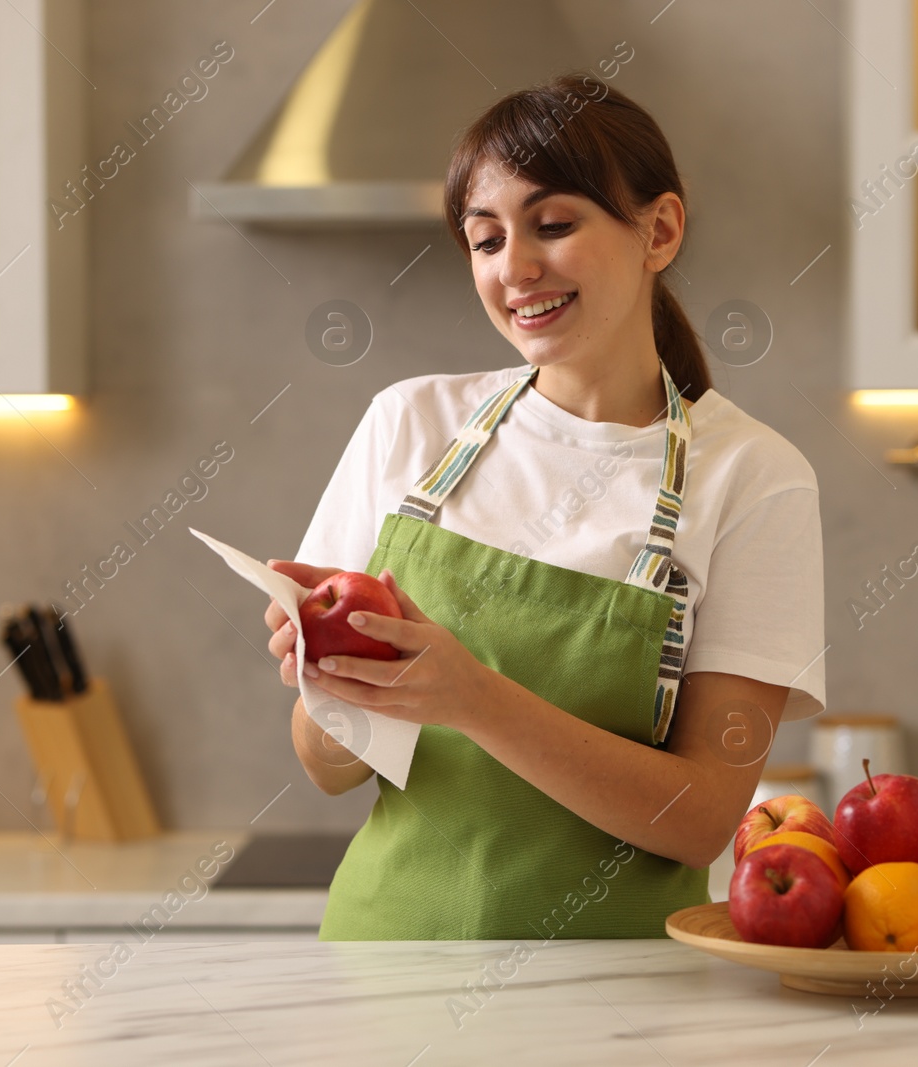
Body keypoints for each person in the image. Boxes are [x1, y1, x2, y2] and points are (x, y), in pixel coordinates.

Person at [263, 72, 825, 940]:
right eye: (485, 241)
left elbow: (703, 815)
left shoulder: (754, 477)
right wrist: (332, 681)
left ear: (659, 230)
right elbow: (326, 767)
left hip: (612, 996)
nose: (515, 269)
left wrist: (472, 696)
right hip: (384, 967)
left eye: (554, 225)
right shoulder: (409, 426)